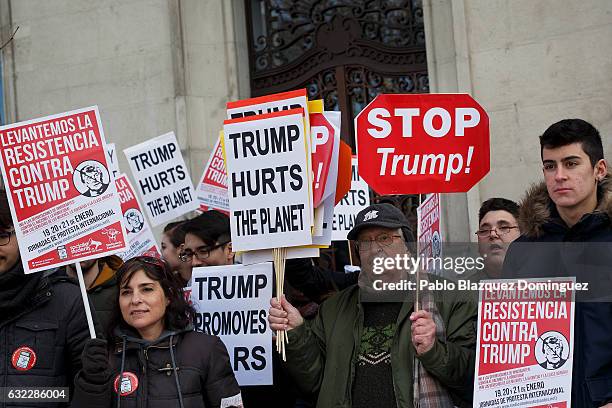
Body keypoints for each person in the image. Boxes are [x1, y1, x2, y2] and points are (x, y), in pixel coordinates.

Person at [270, 203, 477, 408]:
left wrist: (434, 350)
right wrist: (296, 334)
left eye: (385, 238)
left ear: (407, 245)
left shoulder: (450, 298)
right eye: (365, 242)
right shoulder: (333, 309)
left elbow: (470, 378)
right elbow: (313, 383)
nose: (375, 248)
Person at [503, 118, 612, 407]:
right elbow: (506, 340)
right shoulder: (522, 252)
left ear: (599, 170)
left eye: (571, 163)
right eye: (550, 166)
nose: (559, 175)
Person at [72, 256, 242, 408]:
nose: (135, 300)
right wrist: (91, 382)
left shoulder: (206, 349)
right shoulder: (105, 355)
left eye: (147, 289)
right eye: (126, 292)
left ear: (168, 296)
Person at [0, 189, 91, 406]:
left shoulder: (67, 299)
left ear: (22, 236)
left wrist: (95, 381)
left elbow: (77, 392)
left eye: (2, 236)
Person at [65, 255, 124, 331]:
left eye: (85, 242)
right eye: (70, 242)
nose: (78, 247)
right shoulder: (49, 290)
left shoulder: (121, 288)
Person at [472, 198, 521, 280]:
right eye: (484, 230)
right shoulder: (461, 290)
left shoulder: (543, 285)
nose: (493, 234)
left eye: (503, 227)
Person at [161, 221, 191, 285]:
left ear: (182, 249)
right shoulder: (169, 287)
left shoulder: (209, 277)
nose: (161, 254)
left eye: (164, 247)